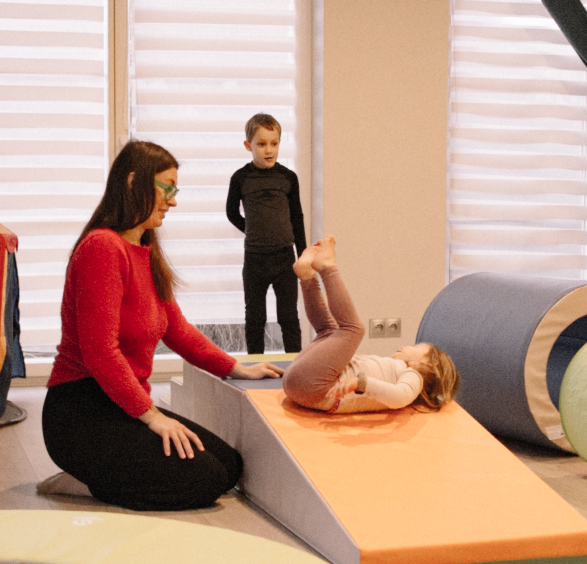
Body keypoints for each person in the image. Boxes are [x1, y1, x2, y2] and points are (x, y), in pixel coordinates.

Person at [42, 140, 281, 511]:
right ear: (135, 181)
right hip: (81, 411)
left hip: (121, 404)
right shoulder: (102, 249)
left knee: (229, 466)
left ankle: (104, 474)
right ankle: (86, 482)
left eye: (175, 190)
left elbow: (177, 330)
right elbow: (100, 352)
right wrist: (152, 417)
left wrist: (235, 368)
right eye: (167, 188)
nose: (173, 201)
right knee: (204, 480)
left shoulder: (145, 249)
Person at [283, 236, 459, 415]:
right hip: (305, 383)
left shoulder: (415, 375)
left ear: (427, 362)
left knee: (353, 329)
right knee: (329, 331)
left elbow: (399, 397)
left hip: (316, 388)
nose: (404, 346)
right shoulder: (395, 369)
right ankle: (307, 277)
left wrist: (362, 383)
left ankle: (327, 268)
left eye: (416, 347)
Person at [226, 113, 306, 354]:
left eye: (274, 143)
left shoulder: (288, 178)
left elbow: (297, 218)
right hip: (255, 260)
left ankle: (295, 365)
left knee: (289, 317)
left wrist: (303, 255)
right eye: (261, 144)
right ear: (248, 146)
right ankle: (255, 366)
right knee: (255, 318)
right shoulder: (240, 178)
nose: (268, 150)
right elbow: (231, 213)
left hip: (284, 259)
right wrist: (251, 230)